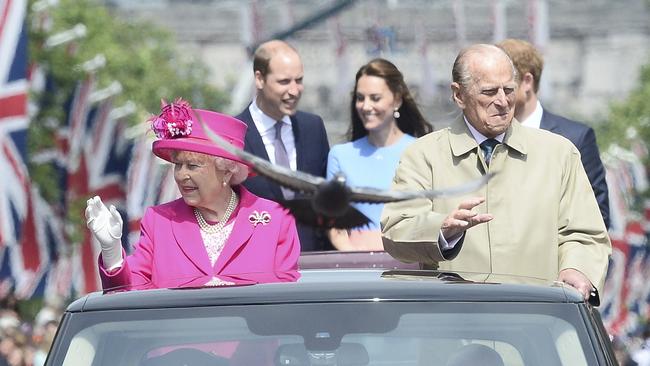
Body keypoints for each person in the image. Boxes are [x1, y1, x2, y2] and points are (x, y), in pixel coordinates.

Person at [381, 44, 611, 303]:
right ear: (459, 95)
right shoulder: (424, 155)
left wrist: (577, 270)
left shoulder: (558, 153)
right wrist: (442, 229)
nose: (502, 101)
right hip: (453, 322)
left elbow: (585, 233)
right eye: (489, 92)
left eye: (509, 90)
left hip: (538, 321)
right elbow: (396, 229)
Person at [85, 98, 300, 290]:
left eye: (192, 166)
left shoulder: (275, 220)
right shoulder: (159, 222)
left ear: (226, 169)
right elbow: (128, 293)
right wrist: (111, 250)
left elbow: (288, 302)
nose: (181, 175)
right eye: (178, 165)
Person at [497, 38, 610, 229]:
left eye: (503, 84)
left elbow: (596, 216)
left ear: (526, 82)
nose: (496, 95)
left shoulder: (575, 138)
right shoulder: (483, 136)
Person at [235, 40, 332, 252]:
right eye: (284, 81)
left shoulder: (313, 128)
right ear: (260, 79)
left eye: (299, 80)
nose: (294, 90)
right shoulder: (234, 135)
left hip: (312, 262)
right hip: (256, 264)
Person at [327, 58, 432, 250]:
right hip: (357, 270)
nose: (366, 106)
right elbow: (335, 227)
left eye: (375, 98)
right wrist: (357, 263)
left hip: (410, 267)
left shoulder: (422, 151)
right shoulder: (340, 155)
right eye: (360, 98)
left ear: (397, 99)